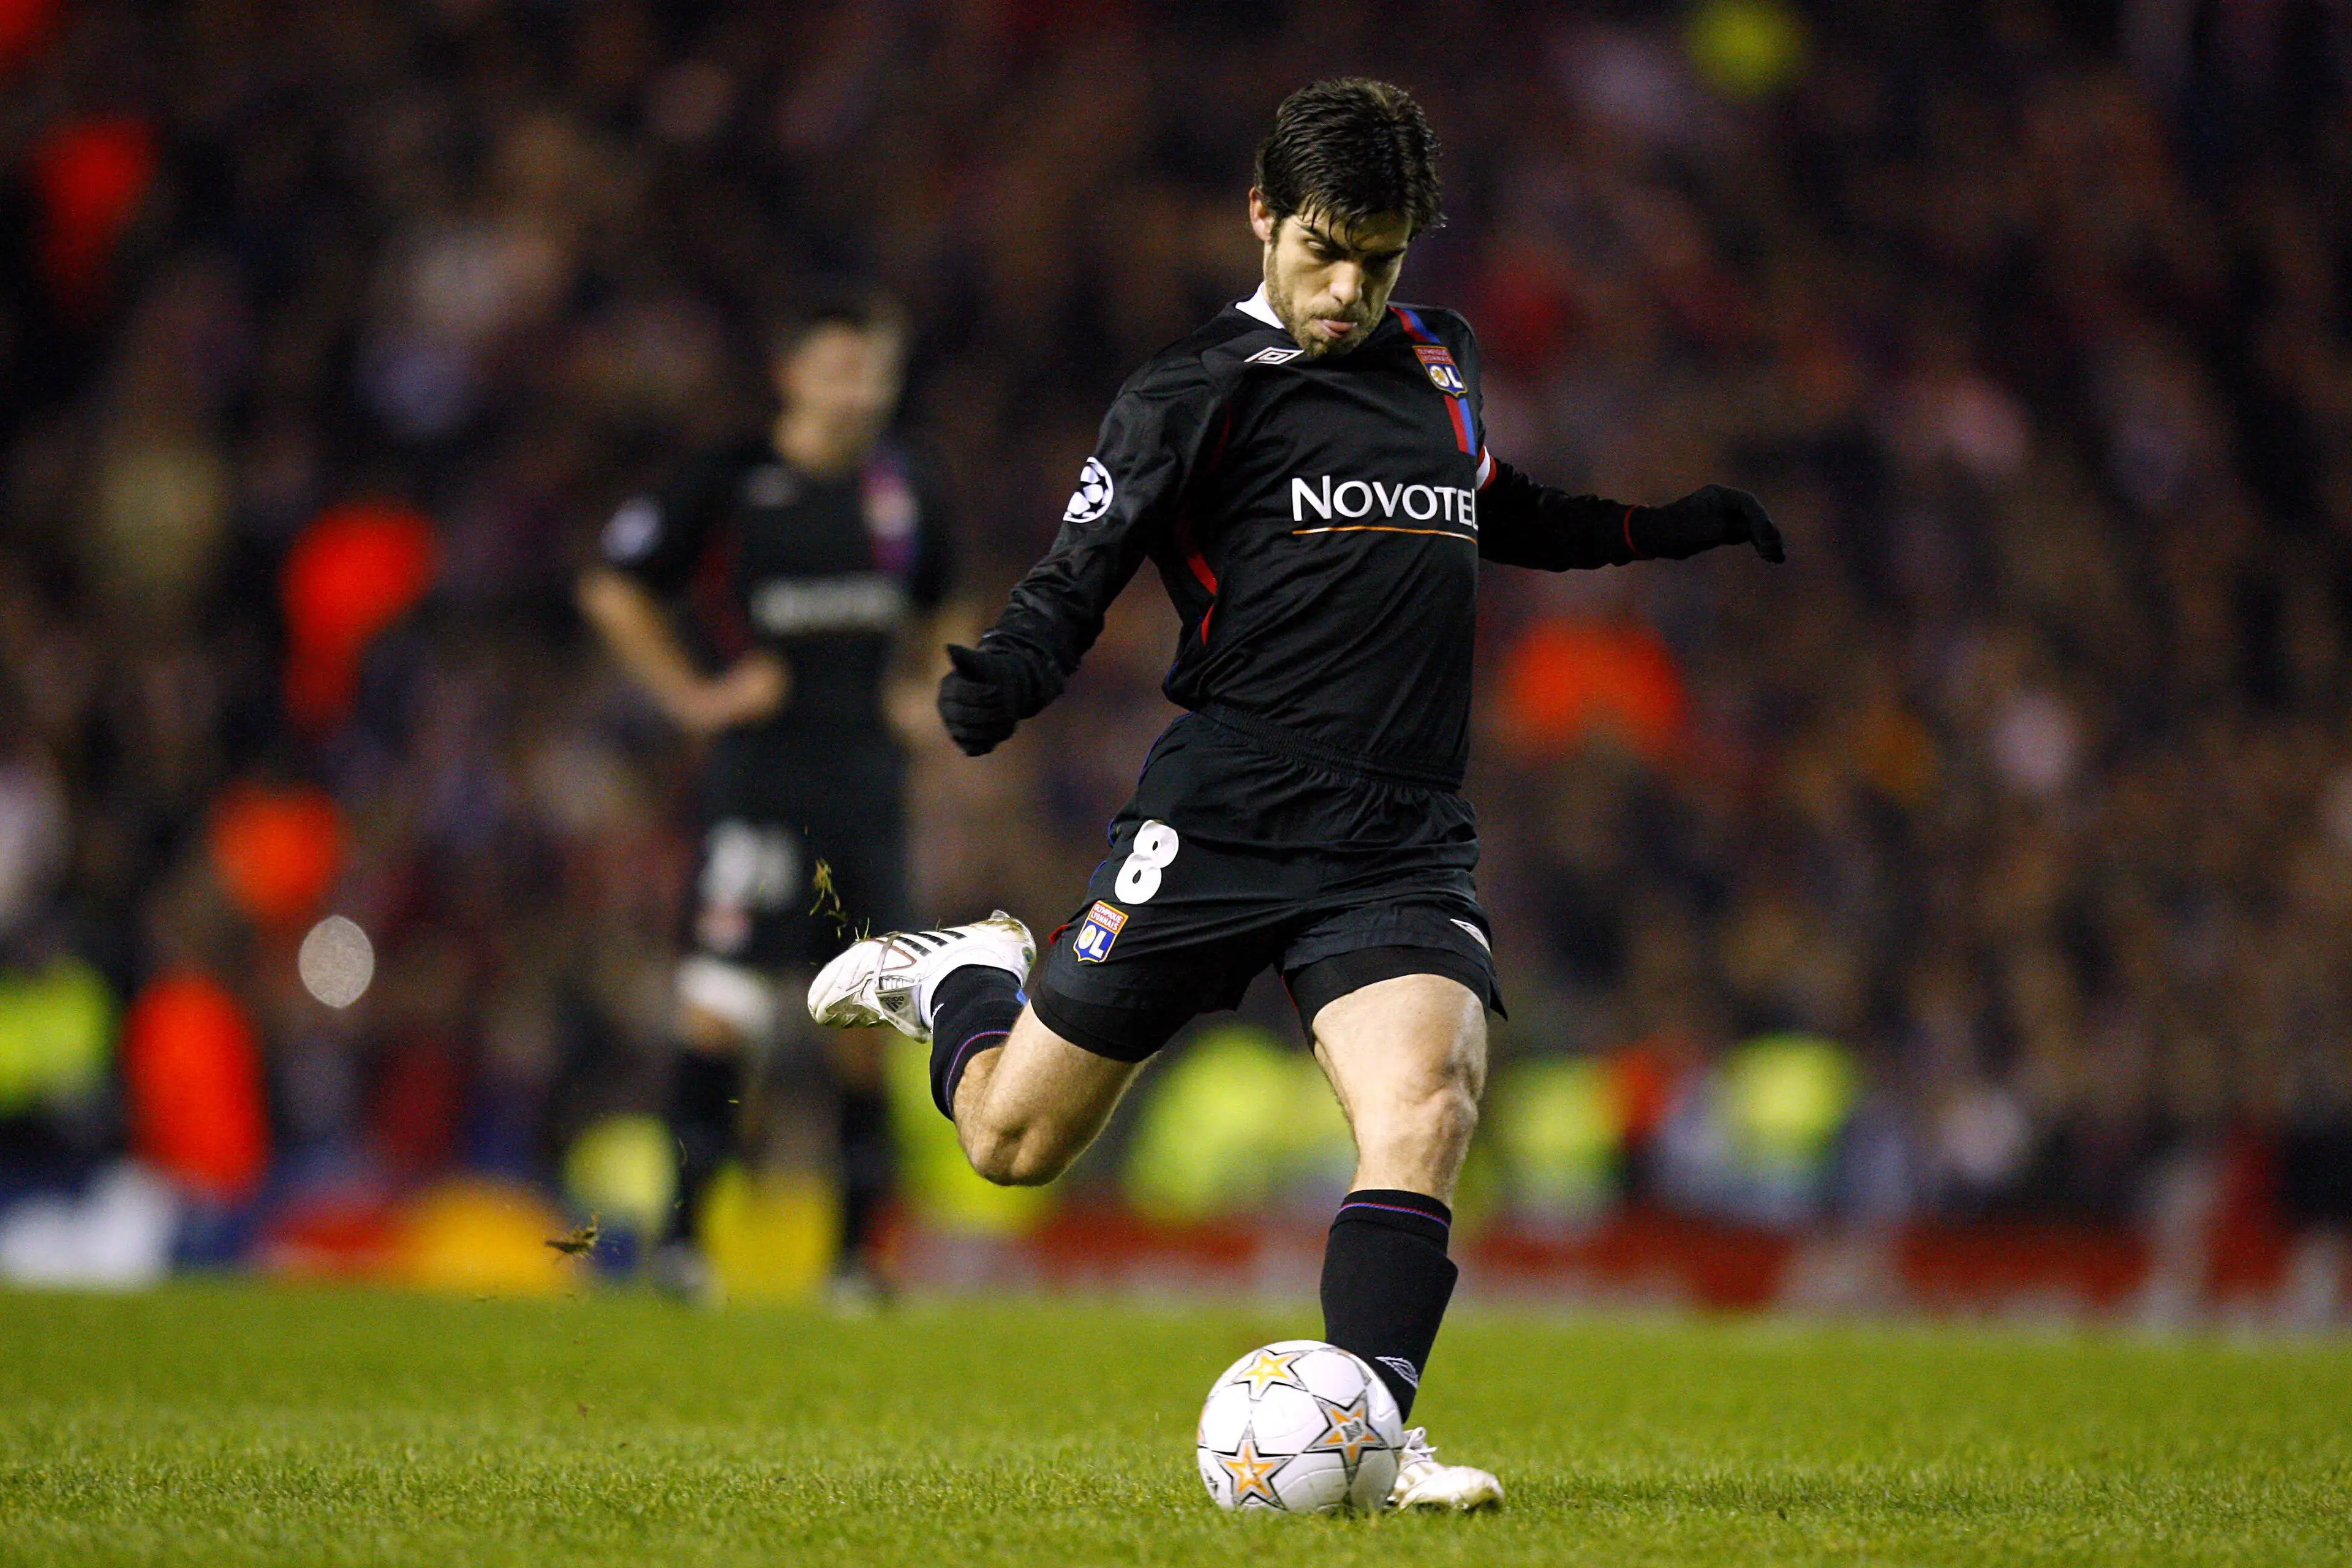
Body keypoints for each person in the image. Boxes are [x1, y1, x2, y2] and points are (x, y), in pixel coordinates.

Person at [808, 80, 1782, 1506]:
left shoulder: (1437, 361)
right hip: (1224, 815)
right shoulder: (1192, 389)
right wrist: (1008, 675)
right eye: (1324, 249)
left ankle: (1375, 1434)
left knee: (1429, 1106)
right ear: (1261, 214)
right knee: (1012, 1141)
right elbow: (1084, 563)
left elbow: (1491, 504)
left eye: (1379, 260)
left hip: (1398, 832)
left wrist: (1656, 527)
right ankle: (965, 977)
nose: (1347, 288)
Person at [579, 287, 959, 1307]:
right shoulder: (732, 482)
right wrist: (693, 697)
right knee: (724, 1007)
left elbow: (944, 602)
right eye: (839, 367)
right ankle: (684, 1247)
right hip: (757, 783)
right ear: (792, 372)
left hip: (867, 787)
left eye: (875, 368)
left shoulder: (907, 485)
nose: (859, 390)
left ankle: (854, 1264)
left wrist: (927, 691)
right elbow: (615, 585)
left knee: (866, 1029)